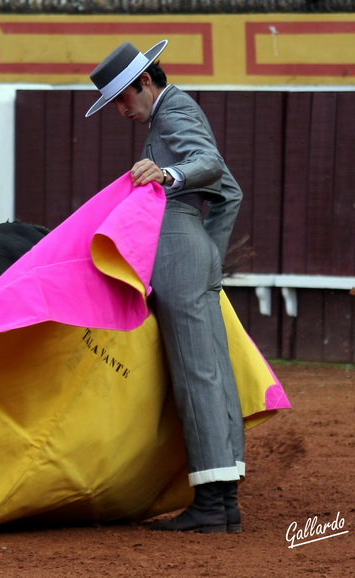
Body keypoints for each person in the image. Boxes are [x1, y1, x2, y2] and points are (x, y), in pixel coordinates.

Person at [86, 39, 245, 534]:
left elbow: (210, 165)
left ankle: (213, 506)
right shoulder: (169, 113)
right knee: (210, 368)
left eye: (123, 98)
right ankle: (224, 502)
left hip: (176, 247)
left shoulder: (174, 109)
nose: (121, 110)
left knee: (195, 372)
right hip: (188, 246)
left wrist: (170, 173)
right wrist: (211, 256)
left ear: (146, 81)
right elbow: (231, 193)